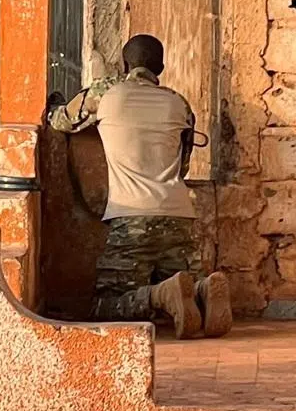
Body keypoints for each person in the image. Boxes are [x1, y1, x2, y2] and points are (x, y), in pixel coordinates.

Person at [46, 34, 231, 339]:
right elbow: (183, 165)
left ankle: (160, 296)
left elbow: (60, 121)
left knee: (105, 307)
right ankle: (202, 291)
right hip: (178, 216)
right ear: (161, 67)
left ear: (124, 64)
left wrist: (54, 104)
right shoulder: (179, 104)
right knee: (182, 282)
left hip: (130, 219)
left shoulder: (106, 92)